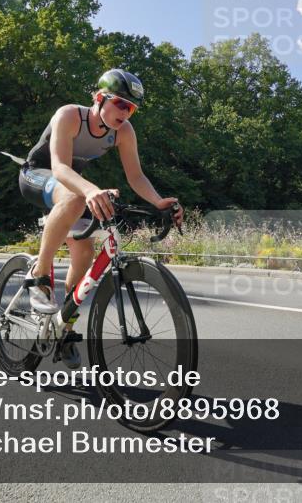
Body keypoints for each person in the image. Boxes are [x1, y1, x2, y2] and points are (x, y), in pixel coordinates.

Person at [17, 69, 183, 368]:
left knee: (83, 257)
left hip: (72, 186)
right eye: (120, 103)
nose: (126, 112)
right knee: (76, 196)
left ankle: (63, 330)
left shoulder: (124, 132)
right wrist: (92, 190)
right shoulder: (69, 115)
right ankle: (38, 277)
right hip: (37, 175)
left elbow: (136, 176)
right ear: (99, 98)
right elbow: (59, 168)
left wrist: (160, 202)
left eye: (131, 108)